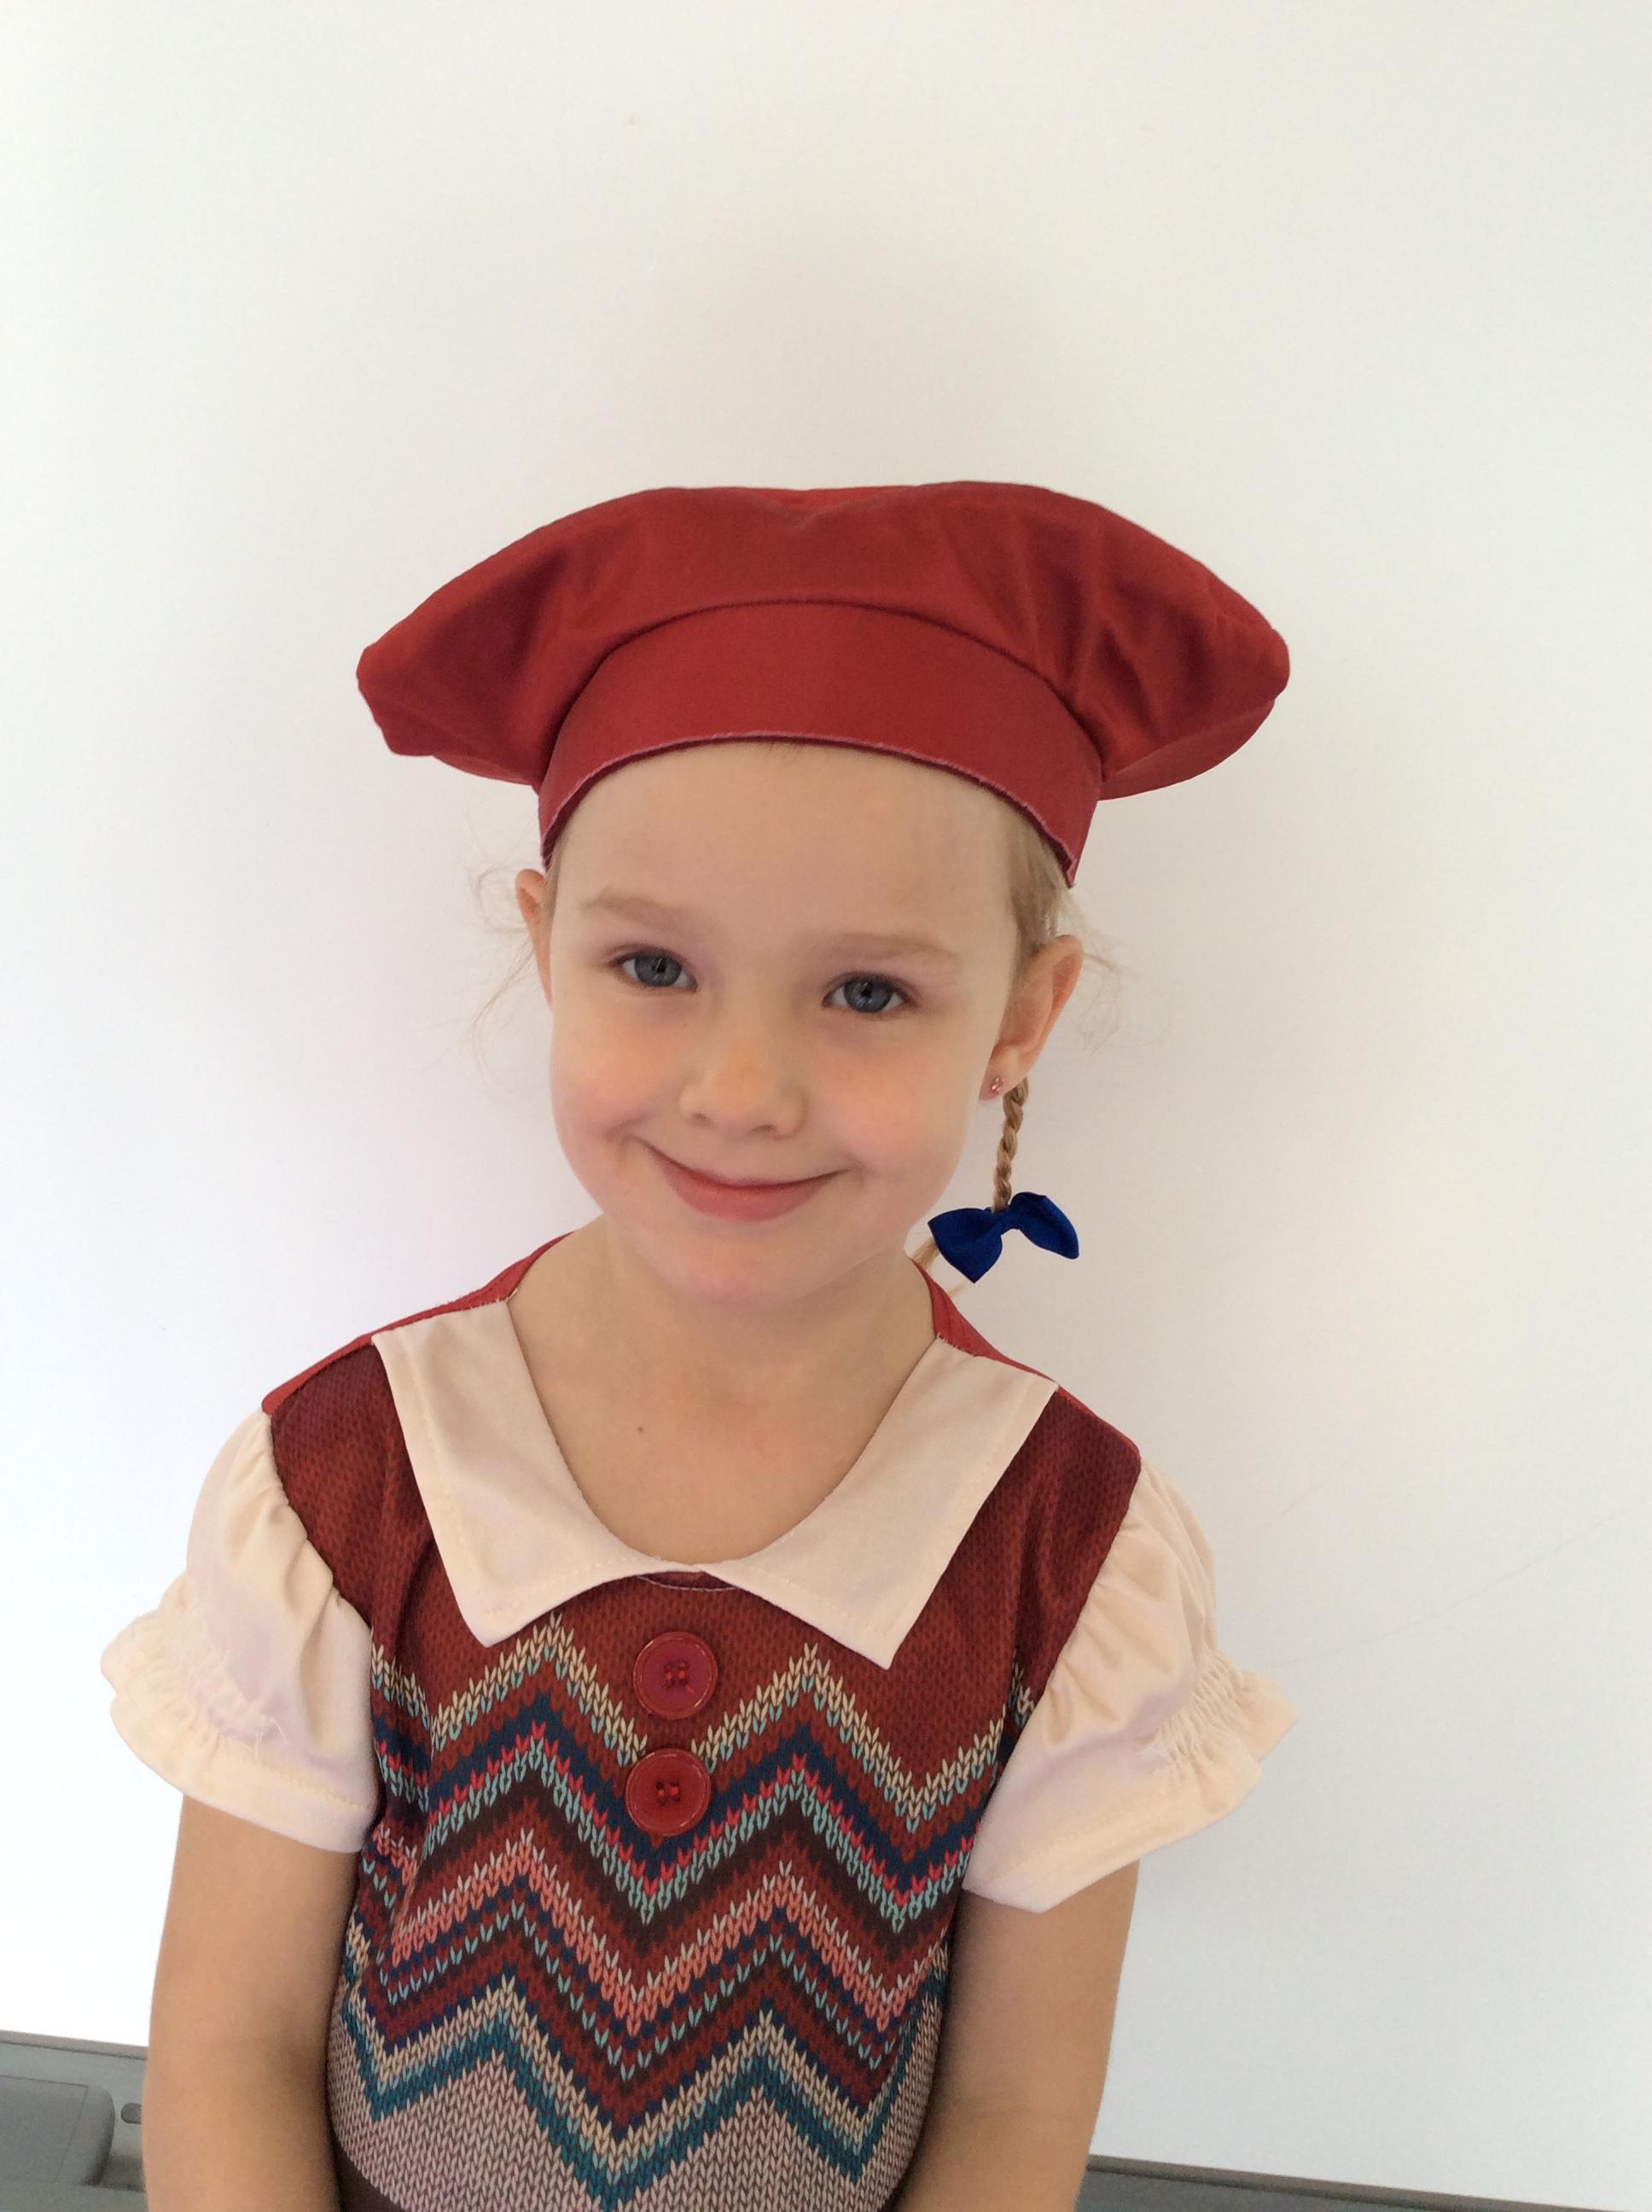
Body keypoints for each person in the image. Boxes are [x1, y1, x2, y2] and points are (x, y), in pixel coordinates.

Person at [102, 480, 1300, 2212]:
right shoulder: (347, 1479)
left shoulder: (1070, 1554)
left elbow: (1012, 2113)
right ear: (548, 948)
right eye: (654, 966)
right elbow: (229, 2047)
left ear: (1018, 1020)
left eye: (868, 992)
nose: (741, 1091)